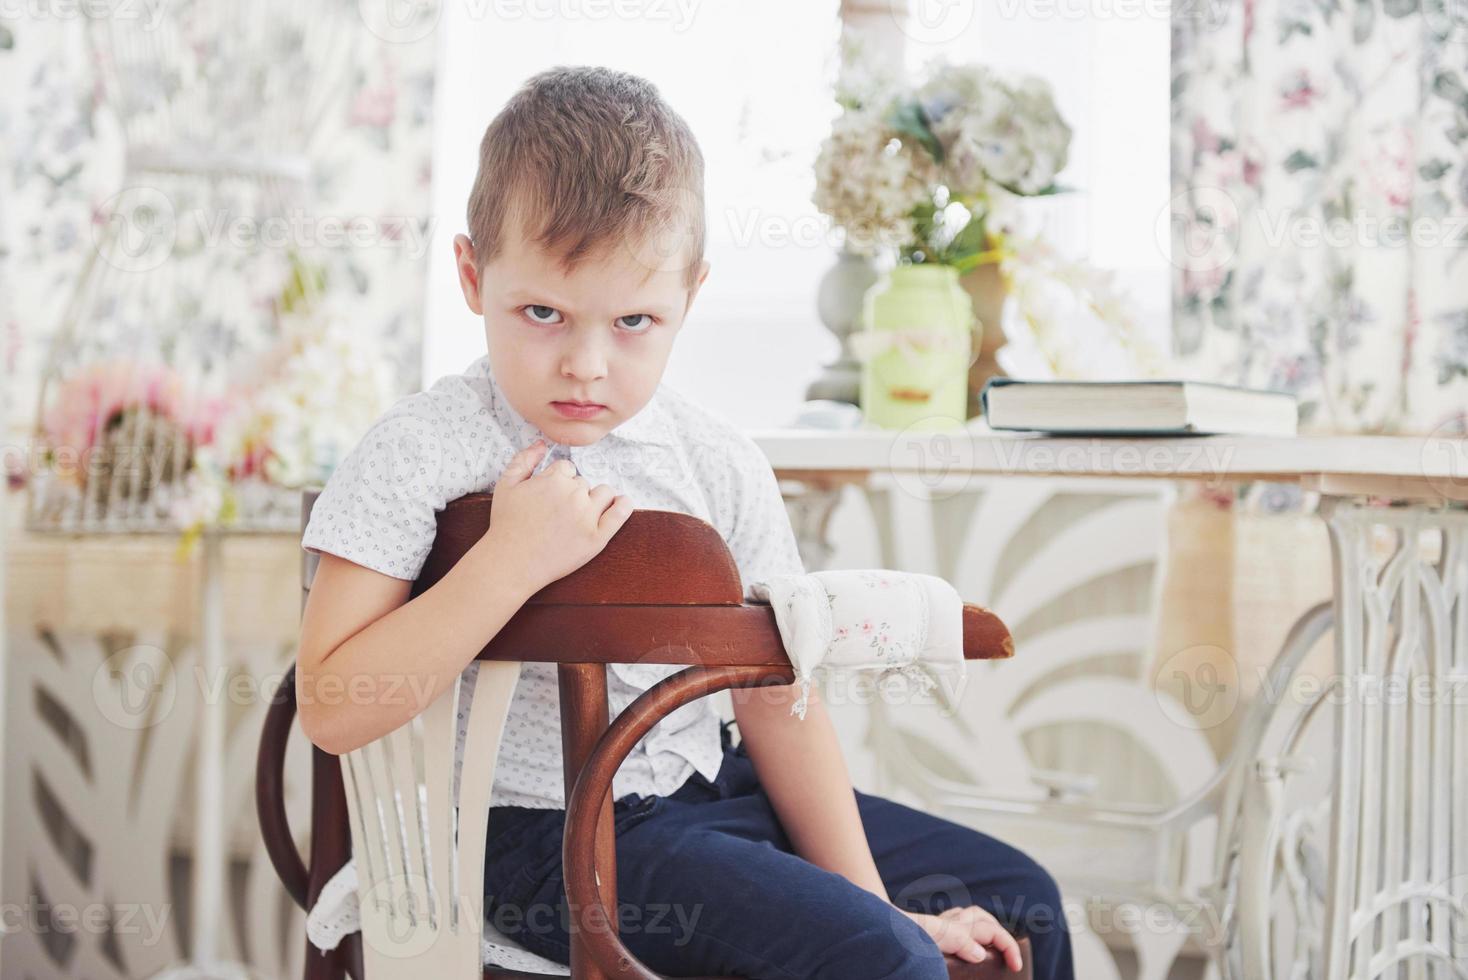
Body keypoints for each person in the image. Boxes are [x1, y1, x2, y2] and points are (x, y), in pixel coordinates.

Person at [298, 65, 1073, 980]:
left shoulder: (716, 462)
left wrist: (876, 898)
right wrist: (507, 564)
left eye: (634, 320)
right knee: (879, 957)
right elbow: (333, 708)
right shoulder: (419, 450)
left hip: (712, 796)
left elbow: (775, 699)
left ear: (689, 299)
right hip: (527, 837)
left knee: (1022, 898)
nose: (586, 364)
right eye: (541, 312)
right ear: (472, 275)